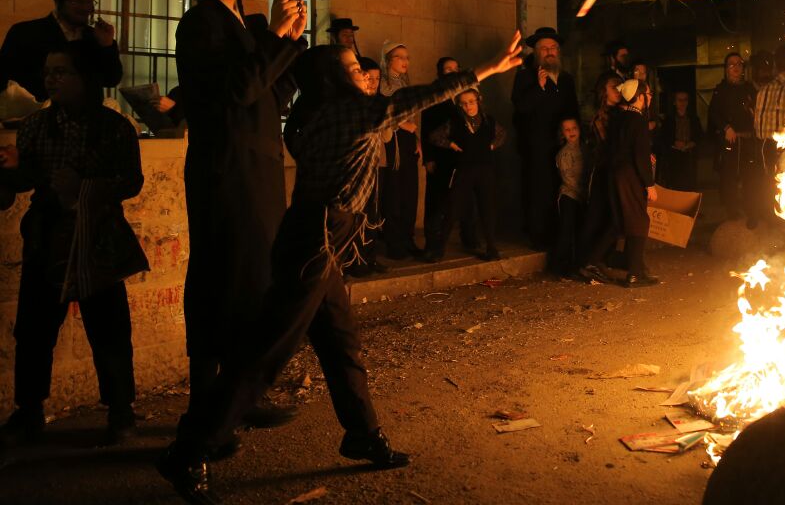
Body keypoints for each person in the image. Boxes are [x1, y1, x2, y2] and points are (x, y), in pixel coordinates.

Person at [157, 34, 523, 503]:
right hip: (315, 240)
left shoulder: (314, 113)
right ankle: (190, 450)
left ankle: (363, 434)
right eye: (354, 70)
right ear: (333, 79)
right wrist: (486, 68)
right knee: (268, 349)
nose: (365, 77)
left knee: (340, 342)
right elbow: (417, 98)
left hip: (318, 238)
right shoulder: (349, 112)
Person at [175, 0, 307, 437]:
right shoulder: (200, 24)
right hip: (224, 168)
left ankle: (239, 394)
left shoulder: (246, 26)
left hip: (259, 166)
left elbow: (271, 95)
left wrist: (290, 42)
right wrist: (272, 36)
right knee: (220, 278)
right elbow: (236, 93)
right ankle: (204, 409)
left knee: (255, 280)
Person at [0, 44, 147, 447]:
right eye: (48, 71)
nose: (51, 79)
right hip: (47, 237)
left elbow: (131, 182)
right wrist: (11, 169)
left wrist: (85, 189)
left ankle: (120, 410)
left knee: (109, 330)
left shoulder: (114, 128)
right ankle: (29, 410)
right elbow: (26, 181)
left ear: (86, 78)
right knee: (34, 330)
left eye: (62, 72)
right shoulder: (35, 126)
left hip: (97, 238)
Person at [580, 78, 659, 288]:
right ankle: (635, 274)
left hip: (615, 175)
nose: (650, 97)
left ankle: (590, 262)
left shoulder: (620, 118)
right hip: (629, 177)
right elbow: (640, 155)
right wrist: (649, 184)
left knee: (618, 221)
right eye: (648, 94)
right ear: (640, 97)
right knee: (639, 221)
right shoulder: (638, 120)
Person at [0, 0, 123, 102]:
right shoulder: (25, 33)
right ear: (58, 2)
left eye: (89, 2)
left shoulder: (94, 36)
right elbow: (4, 80)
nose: (86, 8)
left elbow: (111, 79)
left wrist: (107, 45)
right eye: (77, 2)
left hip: (89, 115)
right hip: (37, 112)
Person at [511, 27, 579, 250]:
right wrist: (539, 88)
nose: (549, 52)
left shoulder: (566, 79)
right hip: (537, 147)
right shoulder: (525, 77)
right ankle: (538, 236)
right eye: (544, 48)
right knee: (538, 190)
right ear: (536, 52)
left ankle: (560, 234)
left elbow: (573, 110)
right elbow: (520, 108)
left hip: (563, 145)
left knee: (562, 189)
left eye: (553, 48)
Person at [426, 87, 505, 262]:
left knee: (487, 208)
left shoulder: (489, 121)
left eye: (471, 102)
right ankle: (439, 250)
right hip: (464, 170)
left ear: (478, 101)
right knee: (453, 208)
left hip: (485, 170)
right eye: (463, 103)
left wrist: (491, 146)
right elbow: (434, 136)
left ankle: (492, 248)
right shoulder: (454, 122)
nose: (468, 106)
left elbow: (502, 134)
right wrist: (451, 145)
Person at [377, 42, 421, 260]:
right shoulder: (382, 85)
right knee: (394, 192)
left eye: (407, 57)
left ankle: (407, 238)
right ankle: (394, 242)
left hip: (407, 140)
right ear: (388, 60)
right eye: (400, 57)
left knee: (410, 191)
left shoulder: (404, 83)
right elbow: (381, 111)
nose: (405, 61)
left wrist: (416, 138)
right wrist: (403, 125)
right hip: (392, 140)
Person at [754, 44, 785, 227]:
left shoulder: (764, 89)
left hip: (764, 144)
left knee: (768, 183)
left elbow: (758, 126)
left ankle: (771, 219)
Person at [347, 57, 388, 279]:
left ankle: (370, 256)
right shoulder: (351, 104)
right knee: (356, 214)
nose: (372, 83)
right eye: (368, 78)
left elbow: (387, 136)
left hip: (375, 164)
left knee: (373, 212)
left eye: (377, 79)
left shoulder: (380, 103)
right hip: (356, 168)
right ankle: (355, 260)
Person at [579, 72, 623, 274]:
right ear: (603, 91)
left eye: (620, 87)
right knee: (598, 214)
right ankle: (588, 260)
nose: (618, 91)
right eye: (614, 87)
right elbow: (608, 145)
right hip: (603, 171)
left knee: (610, 215)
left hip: (613, 169)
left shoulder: (619, 113)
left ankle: (602, 258)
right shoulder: (600, 117)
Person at [709, 53, 759, 224]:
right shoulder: (721, 90)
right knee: (729, 177)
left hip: (748, 140)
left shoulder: (750, 89)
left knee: (750, 177)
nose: (736, 67)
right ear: (726, 69)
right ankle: (732, 211)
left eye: (739, 64)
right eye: (732, 64)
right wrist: (726, 127)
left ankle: (751, 212)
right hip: (730, 140)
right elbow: (714, 113)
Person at [420, 57, 461, 262]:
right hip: (439, 156)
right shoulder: (433, 95)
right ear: (440, 73)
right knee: (435, 201)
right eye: (448, 69)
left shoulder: (464, 93)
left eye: (455, 68)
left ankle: (462, 240)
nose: (453, 71)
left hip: (460, 157)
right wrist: (428, 158)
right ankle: (431, 244)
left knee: (455, 201)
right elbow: (426, 128)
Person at [553, 117, 588, 276]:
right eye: (567, 130)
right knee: (566, 232)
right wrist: (584, 194)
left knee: (580, 232)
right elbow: (569, 179)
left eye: (574, 128)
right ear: (562, 133)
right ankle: (560, 267)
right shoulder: (564, 153)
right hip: (569, 197)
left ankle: (577, 265)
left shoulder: (585, 149)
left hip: (582, 197)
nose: (571, 132)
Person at [656, 90, 701, 191]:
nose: (682, 103)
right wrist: (674, 142)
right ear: (675, 102)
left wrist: (692, 143)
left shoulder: (694, 118)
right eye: (680, 100)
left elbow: (699, 136)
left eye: (685, 100)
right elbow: (663, 137)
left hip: (690, 156)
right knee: (676, 185)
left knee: (689, 185)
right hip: (674, 158)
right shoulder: (669, 120)